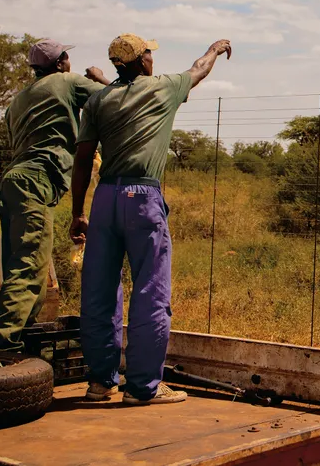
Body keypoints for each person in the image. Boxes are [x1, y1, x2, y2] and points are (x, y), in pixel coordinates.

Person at [69, 34, 231, 405]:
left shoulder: (98, 100)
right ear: (142, 60)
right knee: (150, 292)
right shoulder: (164, 89)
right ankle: (143, 388)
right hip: (143, 197)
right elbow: (198, 70)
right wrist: (215, 49)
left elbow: (82, 160)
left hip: (105, 197)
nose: (152, 59)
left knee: (98, 291)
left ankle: (100, 383)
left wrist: (78, 212)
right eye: (150, 53)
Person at [0, 39, 111, 352]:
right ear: (60, 63)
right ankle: (2, 348)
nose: (69, 61)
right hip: (35, 181)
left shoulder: (18, 100)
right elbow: (117, 100)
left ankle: (23, 338)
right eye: (67, 56)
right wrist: (99, 78)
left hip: (11, 181)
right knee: (28, 267)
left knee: (27, 268)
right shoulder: (68, 82)